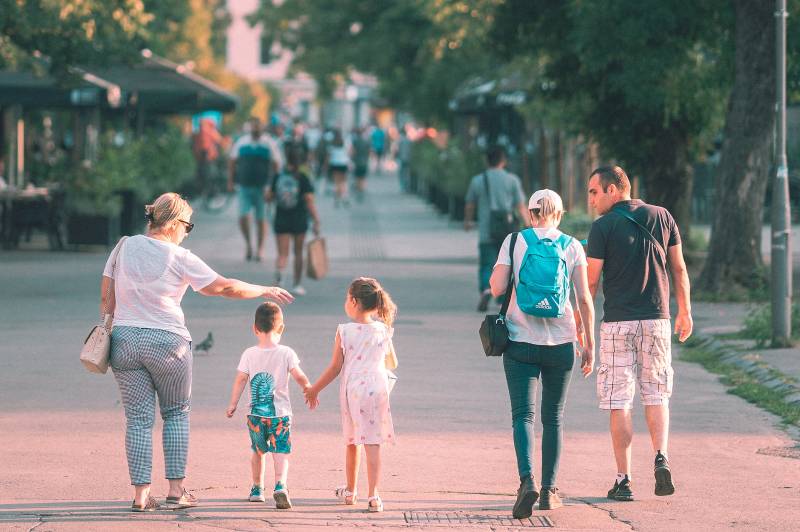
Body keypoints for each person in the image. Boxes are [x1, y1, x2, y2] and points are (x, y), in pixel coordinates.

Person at [103, 192, 293, 512]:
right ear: (175, 223)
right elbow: (223, 287)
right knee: (175, 414)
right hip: (168, 343)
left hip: (125, 340)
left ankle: (140, 496)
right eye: (187, 226)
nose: (186, 233)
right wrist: (263, 289)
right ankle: (176, 492)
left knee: (137, 420)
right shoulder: (180, 258)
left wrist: (115, 329)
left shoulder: (123, 246)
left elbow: (107, 299)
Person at [586, 166, 692, 502]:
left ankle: (624, 479)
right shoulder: (663, 217)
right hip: (657, 320)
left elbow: (590, 281)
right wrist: (685, 310)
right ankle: (661, 456)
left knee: (619, 401)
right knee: (657, 393)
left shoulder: (602, 227)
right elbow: (678, 268)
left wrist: (582, 323)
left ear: (614, 190)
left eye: (594, 191)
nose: (590, 199)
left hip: (618, 323)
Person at [489, 189, 595, 517]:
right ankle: (549, 491)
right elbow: (584, 299)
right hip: (561, 343)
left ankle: (527, 481)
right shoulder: (572, 246)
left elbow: (496, 288)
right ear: (559, 215)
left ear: (531, 213)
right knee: (553, 418)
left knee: (523, 415)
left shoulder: (514, 241)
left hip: (519, 341)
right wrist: (589, 343)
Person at [304, 277, 398, 513]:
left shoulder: (344, 331)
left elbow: (335, 367)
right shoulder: (383, 330)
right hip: (378, 389)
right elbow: (392, 362)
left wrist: (314, 388)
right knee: (373, 442)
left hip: (354, 391)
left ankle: (350, 491)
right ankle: (373, 496)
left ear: (354, 301)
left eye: (347, 298)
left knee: (353, 441)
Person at [226, 302, 312, 509]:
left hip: (255, 415)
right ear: (281, 328)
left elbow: (240, 379)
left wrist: (233, 403)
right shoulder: (287, 353)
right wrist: (309, 388)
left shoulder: (249, 353)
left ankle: (257, 488)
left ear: (255, 329)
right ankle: (280, 485)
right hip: (280, 415)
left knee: (258, 451)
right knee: (280, 451)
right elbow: (299, 375)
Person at [464, 145, 529, 312]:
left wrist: (468, 221)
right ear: (503, 161)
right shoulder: (512, 180)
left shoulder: (478, 180)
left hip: (486, 230)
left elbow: (470, 204)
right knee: (505, 264)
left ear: (487, 161)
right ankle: (501, 297)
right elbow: (521, 206)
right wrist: (529, 224)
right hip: (507, 232)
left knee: (487, 264)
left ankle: (486, 290)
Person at [266, 148, 321, 295]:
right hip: (299, 219)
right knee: (298, 252)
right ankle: (296, 284)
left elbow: (268, 197)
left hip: (281, 217)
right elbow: (309, 201)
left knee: (282, 253)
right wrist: (316, 220)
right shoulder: (302, 177)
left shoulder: (278, 176)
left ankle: (279, 280)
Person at [227, 117, 283, 262]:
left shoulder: (268, 143)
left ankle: (260, 249)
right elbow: (232, 161)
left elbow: (276, 164)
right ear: (250, 128)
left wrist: (272, 187)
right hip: (244, 185)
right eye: (253, 127)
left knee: (261, 219)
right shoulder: (242, 142)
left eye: (257, 127)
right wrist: (231, 181)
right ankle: (248, 245)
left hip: (262, 187)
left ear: (262, 128)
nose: (255, 129)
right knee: (243, 216)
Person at [192, 118, 223, 197]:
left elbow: (195, 145)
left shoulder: (198, 133)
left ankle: (202, 191)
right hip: (209, 157)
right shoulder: (211, 131)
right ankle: (211, 191)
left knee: (202, 174)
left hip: (200, 157)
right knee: (212, 174)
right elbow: (219, 140)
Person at [326, 130, 351, 207]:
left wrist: (326, 165)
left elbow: (328, 156)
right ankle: (345, 197)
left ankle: (337, 198)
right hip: (343, 163)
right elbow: (350, 152)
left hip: (335, 164)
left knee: (337, 182)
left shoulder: (331, 144)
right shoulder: (345, 143)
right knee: (344, 182)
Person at [350, 127, 371, 201]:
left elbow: (352, 151)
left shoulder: (355, 141)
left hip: (357, 162)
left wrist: (352, 159)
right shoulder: (366, 141)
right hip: (364, 162)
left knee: (358, 178)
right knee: (362, 178)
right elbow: (369, 152)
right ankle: (361, 191)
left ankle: (359, 191)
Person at [396, 128, 412, 192]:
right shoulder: (409, 140)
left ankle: (403, 187)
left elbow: (397, 150)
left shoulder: (400, 140)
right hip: (408, 158)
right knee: (407, 173)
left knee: (402, 173)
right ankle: (407, 186)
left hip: (401, 158)